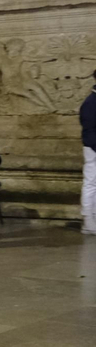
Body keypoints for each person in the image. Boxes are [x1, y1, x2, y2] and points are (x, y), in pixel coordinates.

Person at [81, 72, 95, 235]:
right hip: (93, 149)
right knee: (91, 184)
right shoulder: (91, 102)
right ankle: (89, 220)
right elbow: (89, 131)